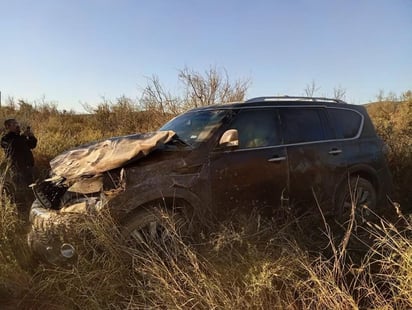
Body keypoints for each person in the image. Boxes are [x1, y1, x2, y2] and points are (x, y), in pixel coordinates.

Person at [1, 118, 37, 188]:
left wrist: (32, 137)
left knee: (31, 188)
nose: (17, 125)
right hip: (17, 169)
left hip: (28, 167)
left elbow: (32, 145)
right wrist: (23, 136)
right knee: (21, 189)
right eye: (14, 124)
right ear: (8, 127)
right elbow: (13, 145)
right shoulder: (5, 139)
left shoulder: (19, 137)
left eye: (17, 123)